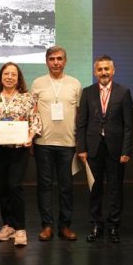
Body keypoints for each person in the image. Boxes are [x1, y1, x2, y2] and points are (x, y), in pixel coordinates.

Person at [0, 62, 43, 247]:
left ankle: (20, 228)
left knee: (15, 186)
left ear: (19, 78)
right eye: (6, 74)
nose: (9, 77)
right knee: (1, 187)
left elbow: (35, 121)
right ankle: (8, 225)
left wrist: (31, 137)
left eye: (13, 74)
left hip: (19, 149)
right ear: (1, 77)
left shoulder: (27, 98)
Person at [76, 55, 133, 243]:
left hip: (116, 149)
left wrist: (126, 150)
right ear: (95, 72)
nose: (103, 73)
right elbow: (81, 123)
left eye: (107, 69)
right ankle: (96, 225)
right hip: (93, 149)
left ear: (113, 70)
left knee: (116, 189)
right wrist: (82, 148)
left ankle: (114, 226)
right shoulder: (87, 92)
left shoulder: (123, 92)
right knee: (95, 189)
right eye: (100, 70)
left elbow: (128, 125)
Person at [31, 45, 83, 241]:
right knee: (44, 185)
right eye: (52, 59)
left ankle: (65, 226)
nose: (56, 62)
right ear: (46, 61)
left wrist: (80, 141)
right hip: (43, 142)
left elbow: (80, 115)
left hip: (68, 143)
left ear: (65, 61)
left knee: (66, 186)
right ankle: (47, 226)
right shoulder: (37, 83)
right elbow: (32, 112)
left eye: (59, 59)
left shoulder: (75, 84)